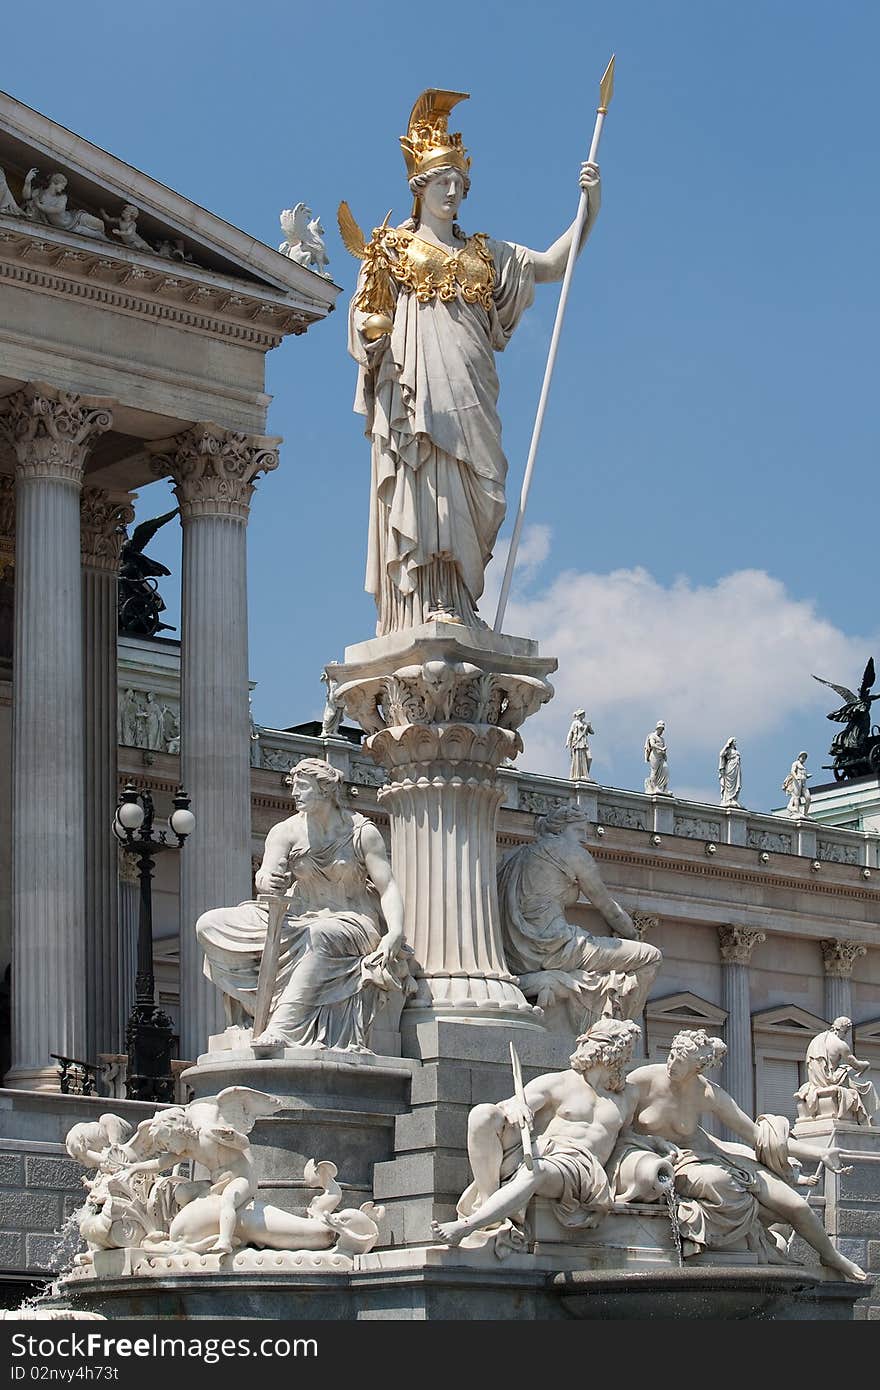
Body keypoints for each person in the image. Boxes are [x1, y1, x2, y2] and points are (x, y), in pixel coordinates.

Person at [344, 90, 601, 635]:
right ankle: (427, 601)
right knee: (428, 482)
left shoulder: (487, 254)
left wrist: (588, 209)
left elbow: (553, 264)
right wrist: (372, 341)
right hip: (418, 387)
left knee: (478, 485)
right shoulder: (392, 248)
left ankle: (461, 601)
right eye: (444, 183)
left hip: (471, 386)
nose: (454, 192)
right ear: (420, 188)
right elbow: (365, 315)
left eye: (461, 185)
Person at [616, 1028, 867, 1281]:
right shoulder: (643, 1080)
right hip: (673, 1162)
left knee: (797, 1206)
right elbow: (617, 1130)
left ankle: (830, 1255)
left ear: (698, 1067)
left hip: (714, 1154)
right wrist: (654, 1142)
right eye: (672, 1056)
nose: (671, 1065)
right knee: (720, 1182)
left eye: (680, 1062)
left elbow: (758, 1135)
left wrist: (819, 1152)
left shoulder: (707, 1093)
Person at [196, 758, 407, 1051]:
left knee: (320, 935)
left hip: (352, 921)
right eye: (293, 786)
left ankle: (283, 1028)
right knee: (209, 924)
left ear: (325, 789)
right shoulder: (286, 831)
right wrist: (267, 880)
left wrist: (394, 933)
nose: (294, 793)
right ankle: (260, 1006)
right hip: (297, 916)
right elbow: (266, 874)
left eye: (302, 787)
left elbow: (388, 887)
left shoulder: (361, 832)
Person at [431, 1018, 641, 1248]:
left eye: (626, 1051)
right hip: (543, 1148)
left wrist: (657, 1145)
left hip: (581, 1167)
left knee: (536, 1171)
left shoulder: (626, 1095)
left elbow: (625, 1137)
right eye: (622, 1049)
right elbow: (512, 1105)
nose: (624, 1057)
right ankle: (491, 1211)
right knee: (483, 1114)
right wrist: (518, 1108)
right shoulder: (560, 1082)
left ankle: (466, 1226)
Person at [497, 805, 661, 1026]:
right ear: (560, 829)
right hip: (557, 948)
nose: (584, 839)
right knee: (650, 957)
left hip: (515, 955)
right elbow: (609, 909)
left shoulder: (512, 856)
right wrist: (633, 934)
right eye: (579, 831)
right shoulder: (571, 852)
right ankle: (619, 1028)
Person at [795, 1017, 877, 1125]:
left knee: (846, 1070)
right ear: (845, 1030)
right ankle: (866, 1121)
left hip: (816, 1080)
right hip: (830, 1079)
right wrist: (866, 1064)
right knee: (867, 1085)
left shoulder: (817, 1039)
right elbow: (856, 1065)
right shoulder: (840, 1045)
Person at [22, 169, 106, 239]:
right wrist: (27, 182)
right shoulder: (39, 193)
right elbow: (26, 196)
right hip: (71, 228)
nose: (63, 188)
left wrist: (39, 206)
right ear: (55, 183)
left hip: (75, 217)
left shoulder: (62, 197)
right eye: (62, 185)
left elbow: (58, 210)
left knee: (100, 223)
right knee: (98, 236)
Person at [565, 709, 594, 781]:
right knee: (578, 759)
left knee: (589, 758)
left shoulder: (585, 723)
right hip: (577, 743)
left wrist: (589, 726)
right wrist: (567, 742)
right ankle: (580, 774)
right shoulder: (575, 723)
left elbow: (592, 732)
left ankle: (585, 773)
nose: (584, 715)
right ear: (580, 715)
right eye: (583, 714)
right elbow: (570, 732)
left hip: (584, 743)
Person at [644, 721, 670, 794]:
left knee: (665, 769)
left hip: (661, 756)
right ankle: (654, 787)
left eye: (662, 730)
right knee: (654, 772)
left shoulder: (662, 739)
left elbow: (663, 748)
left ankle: (663, 788)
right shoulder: (652, 736)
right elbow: (652, 745)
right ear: (658, 728)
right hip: (654, 756)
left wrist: (664, 754)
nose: (662, 731)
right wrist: (661, 749)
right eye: (661, 729)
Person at [782, 751, 811, 817]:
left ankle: (805, 813)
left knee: (808, 798)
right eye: (802, 757)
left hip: (803, 783)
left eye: (805, 758)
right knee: (796, 797)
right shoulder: (796, 763)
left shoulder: (803, 766)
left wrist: (807, 776)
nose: (803, 758)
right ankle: (797, 811)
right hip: (797, 782)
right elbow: (792, 771)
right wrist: (796, 777)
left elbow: (804, 774)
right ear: (799, 757)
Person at [718, 736, 742, 808]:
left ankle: (733, 798)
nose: (736, 743)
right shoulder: (728, 750)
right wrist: (726, 745)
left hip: (736, 768)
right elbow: (721, 754)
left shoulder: (736, 751)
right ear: (731, 742)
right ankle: (728, 799)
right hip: (730, 767)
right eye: (734, 741)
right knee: (729, 784)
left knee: (736, 784)